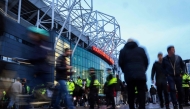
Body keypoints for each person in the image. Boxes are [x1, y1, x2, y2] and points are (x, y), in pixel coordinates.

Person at [118, 39, 149, 109]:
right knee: (141, 92)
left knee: (130, 92)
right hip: (140, 75)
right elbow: (146, 61)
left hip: (129, 75)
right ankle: (142, 107)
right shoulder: (141, 50)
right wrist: (143, 70)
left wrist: (125, 71)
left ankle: (132, 107)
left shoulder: (123, 51)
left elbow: (120, 63)